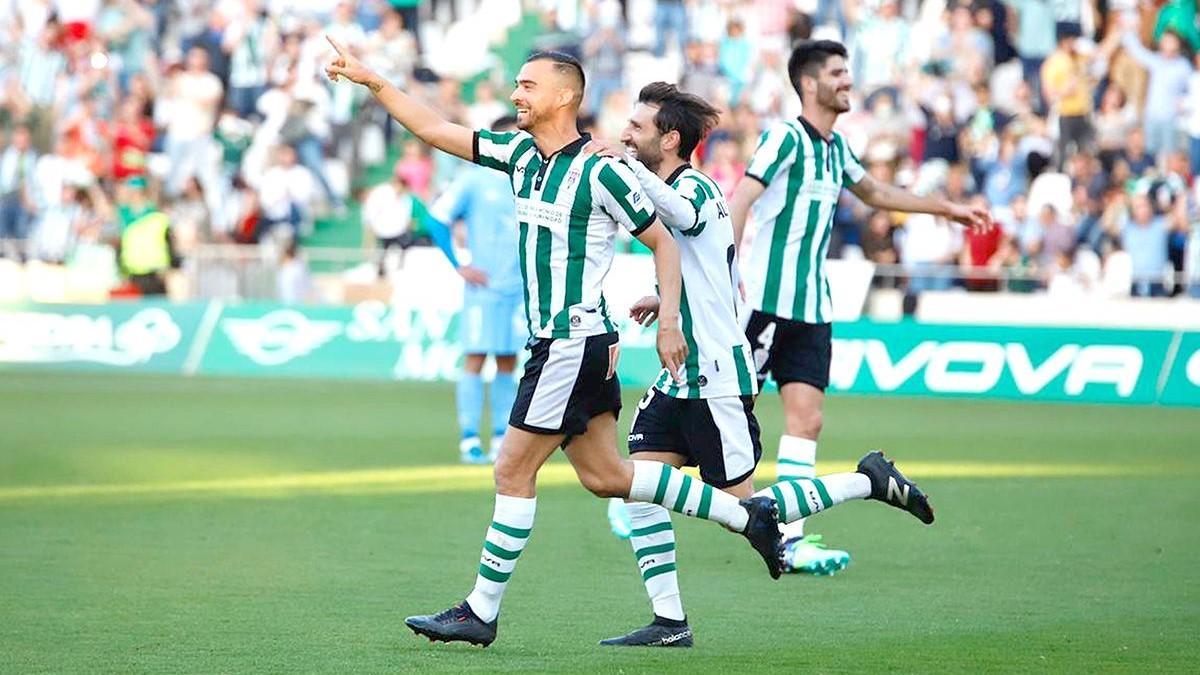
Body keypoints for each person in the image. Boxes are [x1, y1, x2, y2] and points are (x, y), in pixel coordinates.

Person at [325, 39, 786, 647]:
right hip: (573, 345)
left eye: (528, 85)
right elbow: (436, 129)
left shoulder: (599, 169)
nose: (517, 94)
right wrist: (373, 81)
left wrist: (670, 319)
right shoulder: (519, 154)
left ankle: (481, 610)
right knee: (606, 476)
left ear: (565, 95)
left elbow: (665, 243)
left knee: (511, 468)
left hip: (570, 343)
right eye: (516, 85)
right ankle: (745, 515)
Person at [588, 82, 936, 648]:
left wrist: (625, 165)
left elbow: (679, 216)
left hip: (718, 377)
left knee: (747, 508)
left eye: (638, 128)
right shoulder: (671, 188)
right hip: (679, 377)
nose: (626, 135)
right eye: (625, 128)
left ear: (669, 139)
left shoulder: (696, 188)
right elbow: (703, 265)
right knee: (639, 486)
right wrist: (666, 298)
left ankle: (867, 480)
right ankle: (669, 622)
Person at [728, 40, 991, 576]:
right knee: (721, 415)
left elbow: (874, 192)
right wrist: (728, 274)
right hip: (764, 304)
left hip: (812, 308)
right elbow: (740, 201)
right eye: (838, 73)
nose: (848, 81)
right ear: (809, 83)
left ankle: (791, 539)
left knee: (808, 420)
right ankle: (638, 490)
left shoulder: (835, 148)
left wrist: (946, 209)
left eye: (849, 72)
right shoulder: (785, 138)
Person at [424, 115, 525, 465]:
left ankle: (501, 436)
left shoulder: (532, 179)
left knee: (509, 361)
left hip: (521, 289)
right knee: (476, 358)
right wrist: (459, 263)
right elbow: (435, 218)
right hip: (485, 287)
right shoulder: (474, 179)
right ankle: (469, 438)